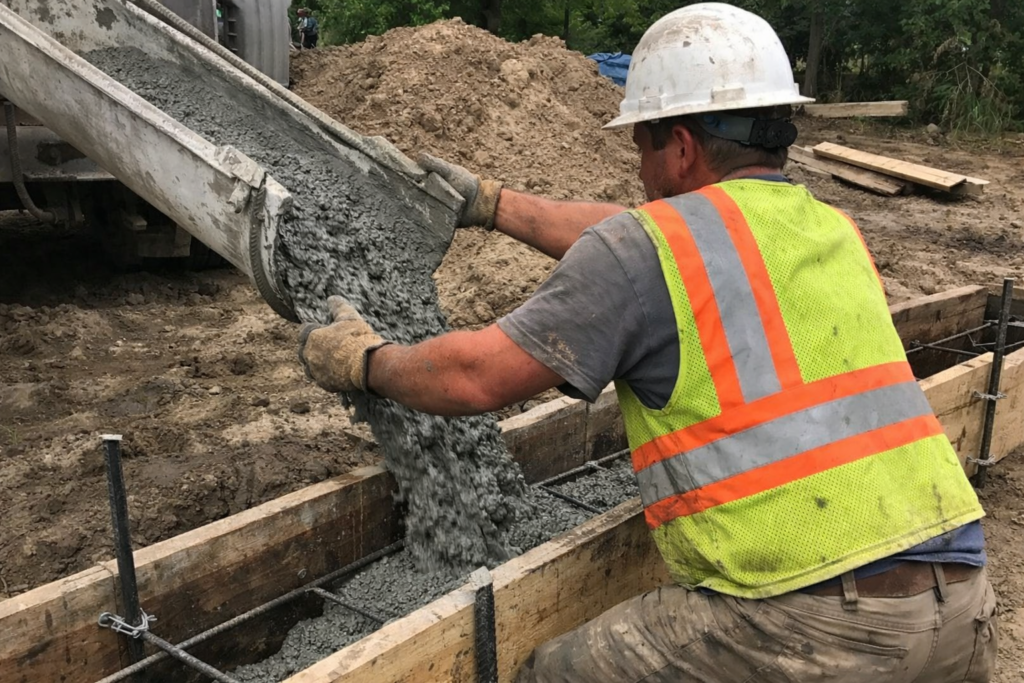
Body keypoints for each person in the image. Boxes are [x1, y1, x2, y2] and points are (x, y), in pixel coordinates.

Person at [297, 3, 997, 681]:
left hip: (810, 624)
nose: (639, 168)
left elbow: (476, 377)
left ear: (682, 146)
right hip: (962, 607)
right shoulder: (834, 230)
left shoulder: (648, 251)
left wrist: (365, 360)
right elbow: (640, 237)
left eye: (641, 145)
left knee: (553, 672)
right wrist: (492, 203)